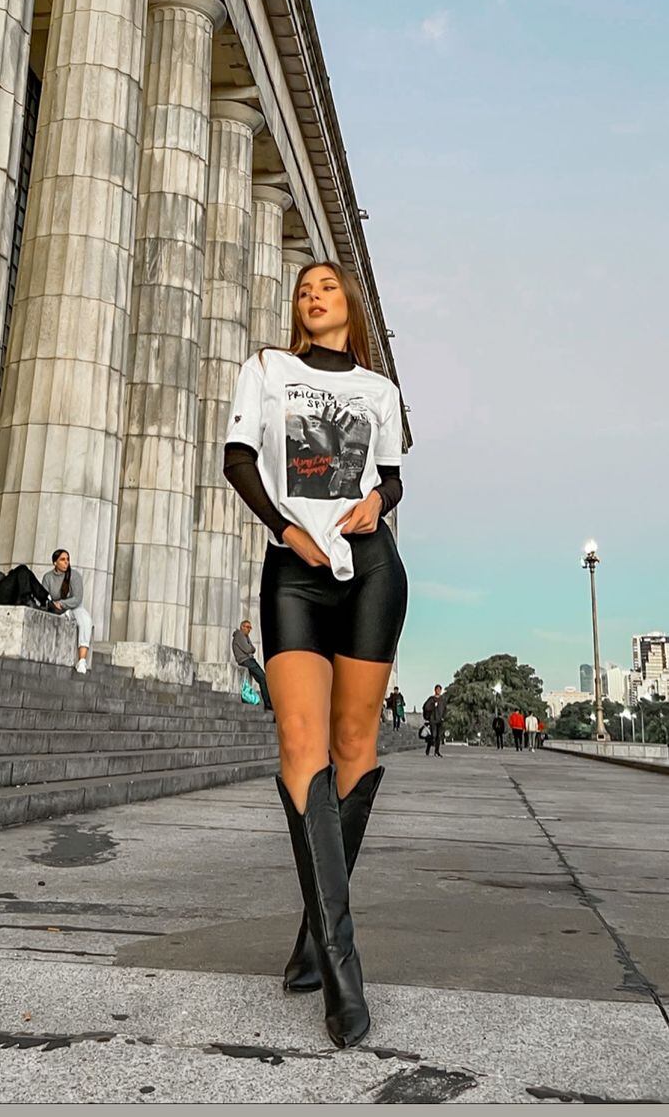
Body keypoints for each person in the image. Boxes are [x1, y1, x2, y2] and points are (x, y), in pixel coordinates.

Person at [223, 260, 407, 1050]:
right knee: (301, 746)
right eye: (304, 288)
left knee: (354, 751)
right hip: (296, 570)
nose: (314, 293)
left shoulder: (380, 389)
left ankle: (309, 940)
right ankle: (342, 967)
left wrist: (374, 502)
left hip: (370, 571)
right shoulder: (267, 369)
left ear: (348, 306)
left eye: (327, 285)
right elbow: (237, 459)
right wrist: (287, 530)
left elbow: (391, 475)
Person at [41, 550, 93, 675]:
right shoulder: (48, 577)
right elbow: (44, 595)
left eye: (67, 559)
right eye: (62, 559)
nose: (66, 562)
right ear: (55, 562)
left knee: (85, 620)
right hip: (56, 609)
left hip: (74, 607)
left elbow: (77, 598)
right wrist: (55, 605)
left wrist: (62, 604)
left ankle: (82, 660)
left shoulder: (74, 575)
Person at [232, 619, 273, 712]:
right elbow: (248, 649)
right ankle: (268, 703)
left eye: (250, 627)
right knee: (263, 678)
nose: (249, 629)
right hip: (246, 660)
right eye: (247, 627)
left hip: (249, 660)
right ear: (242, 627)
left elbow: (253, 648)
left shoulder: (245, 636)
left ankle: (268, 702)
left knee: (263, 679)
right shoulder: (239, 635)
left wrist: (251, 649)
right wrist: (251, 649)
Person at [422, 684, 447, 757]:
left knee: (438, 736)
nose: (438, 691)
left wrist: (444, 717)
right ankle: (428, 748)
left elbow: (445, 709)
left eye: (440, 690)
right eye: (437, 690)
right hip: (433, 719)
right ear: (435, 690)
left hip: (440, 719)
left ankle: (437, 751)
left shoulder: (442, 700)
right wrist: (433, 705)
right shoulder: (431, 699)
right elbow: (426, 707)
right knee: (433, 735)